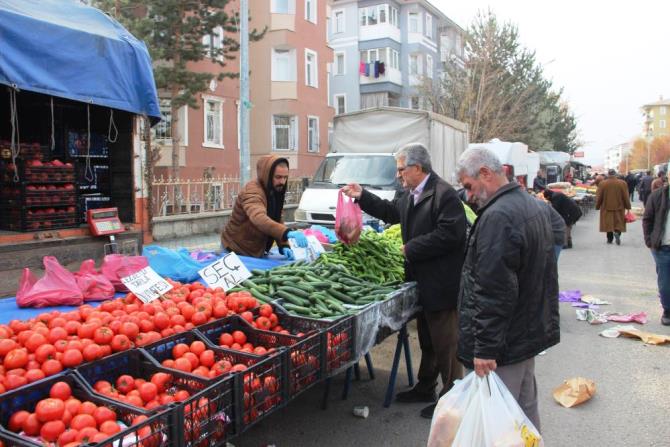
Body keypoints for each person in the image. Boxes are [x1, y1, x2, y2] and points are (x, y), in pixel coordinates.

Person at [341, 143, 467, 419]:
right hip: (422, 281)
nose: (398, 175)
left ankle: (452, 402)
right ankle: (425, 387)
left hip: (442, 283)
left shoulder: (443, 195)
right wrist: (362, 195)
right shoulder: (412, 194)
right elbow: (390, 212)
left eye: (401, 169)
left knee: (447, 344)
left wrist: (412, 248)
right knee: (428, 339)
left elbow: (452, 235)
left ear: (418, 168)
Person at [455, 146, 559, 432]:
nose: (467, 195)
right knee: (523, 415)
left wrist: (485, 348)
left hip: (503, 346)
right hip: (524, 336)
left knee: (497, 425)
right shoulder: (532, 205)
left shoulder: (498, 217)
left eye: (469, 186)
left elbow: (494, 290)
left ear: (485, 173)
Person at [221, 154, 307, 258]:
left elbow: (277, 218)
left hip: (255, 250)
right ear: (267, 175)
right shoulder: (252, 191)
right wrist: (286, 232)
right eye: (278, 177)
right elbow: (259, 218)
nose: (282, 182)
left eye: (285, 177)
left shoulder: (273, 190)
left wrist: (283, 245)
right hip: (235, 250)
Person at [642, 184, 670, 326]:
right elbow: (647, 218)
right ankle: (668, 310)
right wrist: (649, 240)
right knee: (665, 282)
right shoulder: (658, 196)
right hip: (663, 247)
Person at [596, 169, 632, 245]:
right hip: (619, 206)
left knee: (608, 223)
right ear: (615, 174)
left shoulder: (602, 184)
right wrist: (628, 206)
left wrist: (598, 206)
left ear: (608, 174)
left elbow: (599, 196)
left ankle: (609, 239)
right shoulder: (622, 183)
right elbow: (626, 196)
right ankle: (618, 233)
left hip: (606, 207)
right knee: (618, 222)